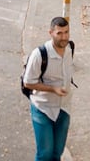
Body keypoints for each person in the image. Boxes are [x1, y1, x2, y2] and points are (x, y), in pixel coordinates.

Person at [23, 16, 74, 161]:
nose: (64, 37)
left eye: (66, 32)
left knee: (57, 152)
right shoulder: (39, 54)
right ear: (51, 33)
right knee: (44, 154)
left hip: (64, 108)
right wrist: (53, 89)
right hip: (43, 108)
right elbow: (28, 83)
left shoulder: (69, 48)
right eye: (59, 33)